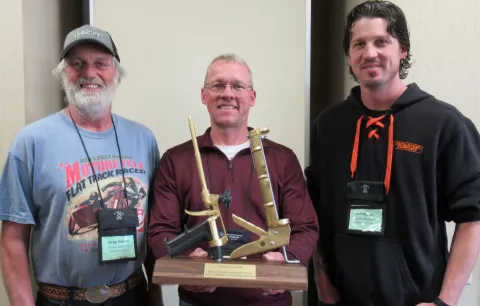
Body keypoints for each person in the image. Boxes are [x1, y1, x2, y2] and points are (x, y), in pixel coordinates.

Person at [306, 1, 480, 306]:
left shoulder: (444, 124)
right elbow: (313, 209)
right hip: (340, 300)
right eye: (359, 43)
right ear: (348, 55)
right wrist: (322, 283)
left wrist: (445, 301)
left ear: (403, 50)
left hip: (416, 300)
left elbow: (473, 217)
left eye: (381, 41)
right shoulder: (328, 125)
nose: (369, 52)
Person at [0, 25, 162, 306]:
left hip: (132, 295)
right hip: (61, 299)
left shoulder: (143, 139)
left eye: (101, 64)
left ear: (116, 75)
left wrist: (155, 297)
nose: (89, 73)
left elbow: (153, 228)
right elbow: (12, 239)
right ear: (64, 73)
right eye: (77, 64)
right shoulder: (32, 141)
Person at [148, 53, 319, 306]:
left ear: (252, 97)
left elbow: (306, 227)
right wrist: (186, 263)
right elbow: (160, 229)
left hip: (267, 302)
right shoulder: (176, 160)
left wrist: (286, 259)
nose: (227, 93)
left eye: (238, 86)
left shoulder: (282, 159)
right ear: (204, 95)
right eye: (218, 85)